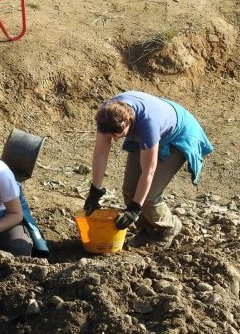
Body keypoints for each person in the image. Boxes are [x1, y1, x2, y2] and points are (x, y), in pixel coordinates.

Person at [83, 91, 213, 249]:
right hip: (149, 129)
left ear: (129, 122)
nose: (116, 139)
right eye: (111, 135)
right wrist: (95, 191)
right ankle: (148, 229)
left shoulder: (148, 124)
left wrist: (134, 209)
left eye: (119, 135)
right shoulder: (105, 116)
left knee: (150, 196)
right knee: (130, 190)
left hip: (179, 134)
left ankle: (169, 227)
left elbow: (148, 171)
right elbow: (100, 153)